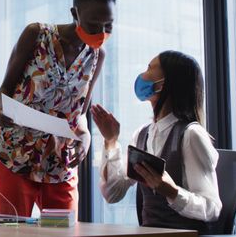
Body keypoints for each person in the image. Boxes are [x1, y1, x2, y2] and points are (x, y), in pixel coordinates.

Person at [0, 0, 116, 219]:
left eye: (108, 26)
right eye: (93, 25)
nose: (101, 33)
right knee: (11, 233)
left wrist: (86, 137)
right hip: (16, 155)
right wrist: (1, 108)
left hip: (60, 163)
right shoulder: (37, 35)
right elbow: (4, 89)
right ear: (75, 14)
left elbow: (79, 113)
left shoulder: (97, 56)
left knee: (63, 232)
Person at [93, 50, 221, 234]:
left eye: (149, 68)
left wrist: (172, 191)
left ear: (165, 83)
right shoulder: (142, 134)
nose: (142, 74)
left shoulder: (191, 135)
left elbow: (212, 208)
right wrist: (110, 141)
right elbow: (113, 194)